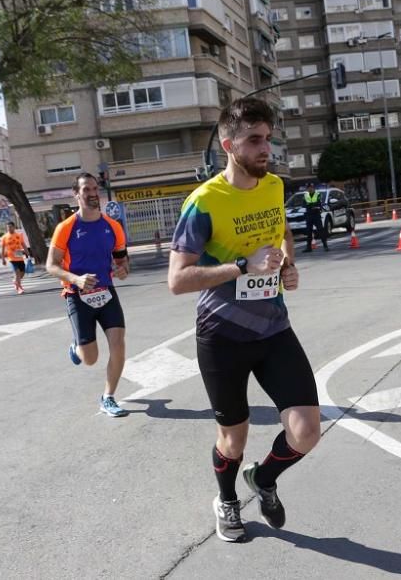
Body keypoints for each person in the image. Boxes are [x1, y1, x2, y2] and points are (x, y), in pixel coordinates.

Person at [168, 97, 321, 543]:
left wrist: (288, 264)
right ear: (228, 143)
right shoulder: (204, 202)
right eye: (254, 140)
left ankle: (265, 478)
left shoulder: (274, 186)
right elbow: (177, 280)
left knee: (307, 430)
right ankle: (227, 499)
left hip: (274, 328)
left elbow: (283, 232)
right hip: (222, 337)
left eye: (268, 140)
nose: (264, 149)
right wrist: (242, 265)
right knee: (232, 439)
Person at [46, 172, 131, 418]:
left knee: (118, 344)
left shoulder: (113, 227)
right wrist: (75, 279)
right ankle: (77, 347)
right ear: (76, 194)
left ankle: (108, 397)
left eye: (95, 188)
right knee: (90, 359)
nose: (93, 193)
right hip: (77, 295)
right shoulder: (66, 228)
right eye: (86, 190)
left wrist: (123, 270)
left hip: (106, 292)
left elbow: (122, 260)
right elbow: (51, 265)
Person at [0, 222, 28, 294]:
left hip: (19, 256)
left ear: (14, 227)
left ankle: (16, 281)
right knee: (17, 272)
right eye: (7, 227)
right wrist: (3, 259)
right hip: (11, 258)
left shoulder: (19, 235)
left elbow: (23, 244)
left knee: (22, 272)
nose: (9, 228)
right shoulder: (4, 237)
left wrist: (27, 252)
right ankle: (19, 288)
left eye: (10, 227)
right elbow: (2, 249)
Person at [302, 182, 328, 253]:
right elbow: (304, 205)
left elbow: (318, 204)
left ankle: (325, 246)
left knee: (320, 230)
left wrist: (310, 205)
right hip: (309, 215)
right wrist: (312, 205)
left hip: (316, 215)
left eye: (310, 187)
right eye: (308, 188)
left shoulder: (318, 194)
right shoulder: (305, 195)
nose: (309, 189)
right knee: (308, 232)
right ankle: (308, 247)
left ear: (313, 187)